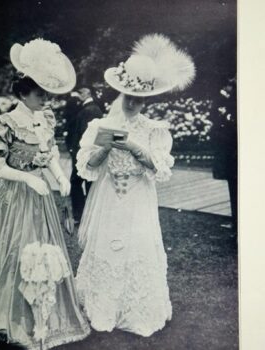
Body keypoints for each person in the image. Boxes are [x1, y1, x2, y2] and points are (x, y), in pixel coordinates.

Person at [75, 34, 195, 336]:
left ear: (146, 100)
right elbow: (87, 166)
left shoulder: (155, 130)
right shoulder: (99, 125)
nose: (132, 103)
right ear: (119, 94)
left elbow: (161, 167)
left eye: (138, 99)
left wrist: (134, 148)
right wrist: (105, 146)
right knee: (107, 247)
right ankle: (102, 306)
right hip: (108, 196)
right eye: (127, 97)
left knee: (137, 247)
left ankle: (137, 307)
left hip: (139, 197)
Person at [0, 38, 90, 349]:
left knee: (44, 254)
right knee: (16, 252)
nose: (46, 100)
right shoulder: (6, 122)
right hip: (16, 198)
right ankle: (14, 317)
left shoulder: (45, 119)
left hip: (42, 199)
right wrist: (27, 180)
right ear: (23, 92)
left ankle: (45, 314)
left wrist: (58, 175)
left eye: (48, 94)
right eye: (40, 94)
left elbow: (48, 152)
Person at [66, 87, 103, 221]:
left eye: (81, 92)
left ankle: (81, 215)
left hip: (84, 152)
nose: (79, 94)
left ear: (88, 93)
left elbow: (86, 134)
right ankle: (87, 214)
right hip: (85, 152)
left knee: (77, 182)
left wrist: (77, 151)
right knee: (87, 182)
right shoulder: (89, 108)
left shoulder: (90, 110)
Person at [211, 77, 237, 231]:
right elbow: (215, 117)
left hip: (234, 151)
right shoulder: (224, 101)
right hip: (230, 152)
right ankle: (236, 221)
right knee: (234, 188)